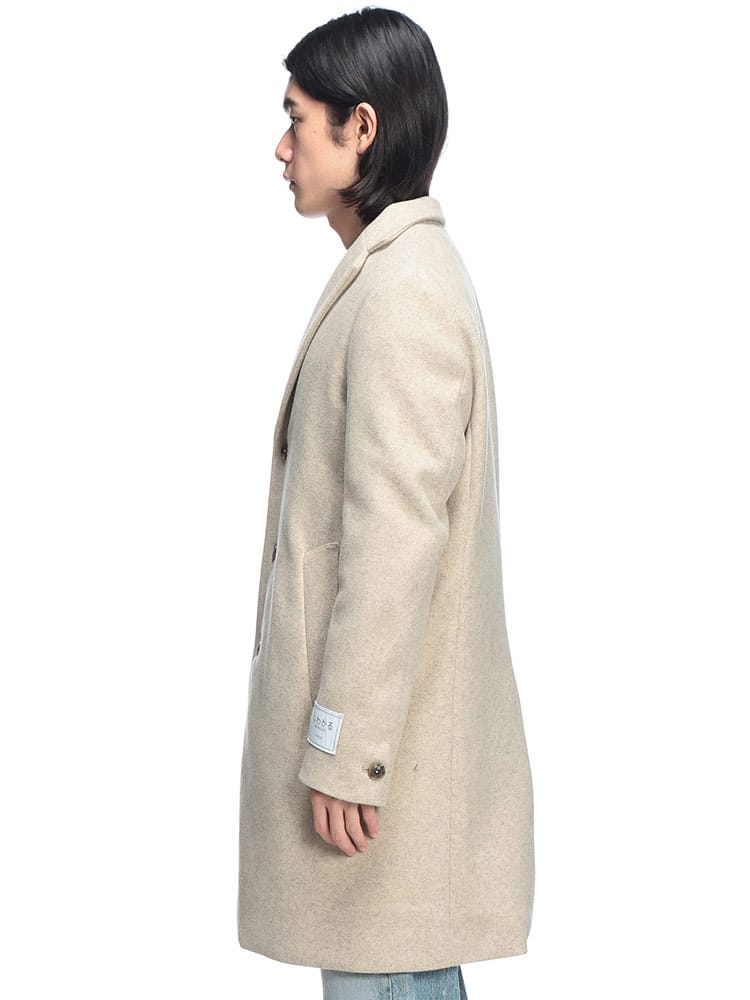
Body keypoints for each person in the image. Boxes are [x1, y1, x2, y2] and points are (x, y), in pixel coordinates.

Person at [237, 8, 535, 999]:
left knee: (393, 973)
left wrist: (344, 754)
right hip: (385, 783)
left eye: (297, 119)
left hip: (379, 792)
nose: (281, 147)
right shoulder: (389, 277)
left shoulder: (403, 295)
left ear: (360, 128)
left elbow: (396, 539)